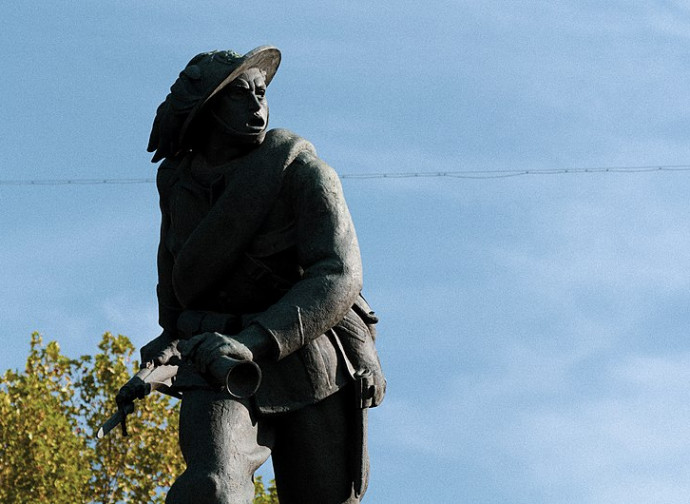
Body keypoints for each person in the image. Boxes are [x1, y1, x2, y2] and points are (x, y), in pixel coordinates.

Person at [133, 46, 385, 504]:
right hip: (216, 364)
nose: (258, 107)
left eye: (262, 93)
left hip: (309, 366)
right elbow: (175, 284)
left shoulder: (301, 170)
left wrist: (251, 341)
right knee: (212, 490)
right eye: (242, 96)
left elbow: (339, 274)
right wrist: (169, 340)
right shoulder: (176, 183)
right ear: (208, 107)